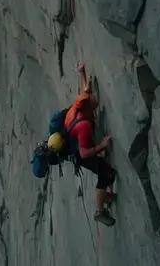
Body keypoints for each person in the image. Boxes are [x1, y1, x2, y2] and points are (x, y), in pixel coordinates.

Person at [65, 61, 117, 226]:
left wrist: (81, 73)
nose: (95, 98)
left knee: (105, 169)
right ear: (88, 107)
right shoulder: (84, 126)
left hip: (78, 144)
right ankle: (99, 212)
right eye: (93, 99)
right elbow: (84, 153)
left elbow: (85, 90)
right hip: (80, 154)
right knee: (107, 173)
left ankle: (106, 196)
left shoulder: (80, 106)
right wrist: (101, 146)